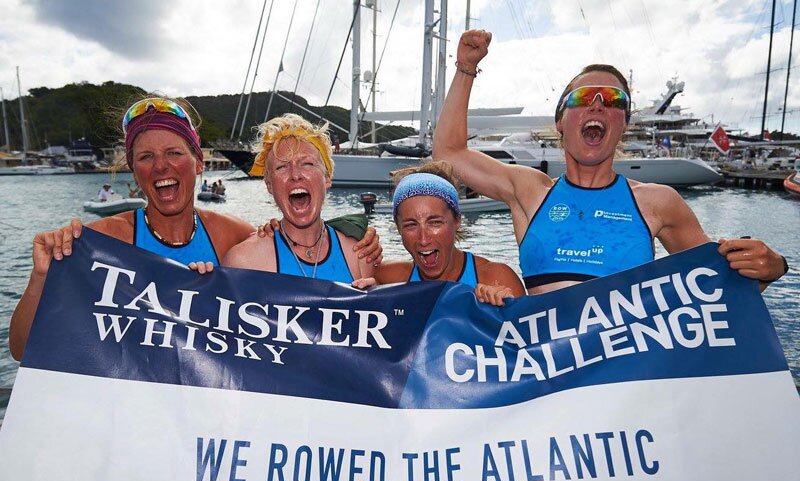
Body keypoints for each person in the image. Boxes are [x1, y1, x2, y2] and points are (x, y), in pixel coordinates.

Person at [9, 99, 381, 360]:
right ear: (133, 170)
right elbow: (24, 350)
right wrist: (42, 276)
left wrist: (350, 232)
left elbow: (293, 246)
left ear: (197, 162)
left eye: (174, 153)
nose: (161, 167)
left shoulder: (231, 236)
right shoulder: (105, 242)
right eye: (145, 157)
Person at [433, 29, 788, 295]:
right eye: (584, 97)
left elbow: (718, 286)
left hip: (620, 382)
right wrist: (466, 68)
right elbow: (448, 153)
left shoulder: (657, 202)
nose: (599, 105)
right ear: (561, 121)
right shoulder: (529, 191)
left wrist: (769, 268)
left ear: (624, 123)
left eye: (614, 99)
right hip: (546, 377)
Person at [218, 114, 373, 282]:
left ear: (327, 178)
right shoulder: (244, 262)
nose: (295, 175)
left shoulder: (359, 254)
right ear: (269, 185)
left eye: (307, 164)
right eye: (282, 167)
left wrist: (372, 295)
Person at [352, 161, 525, 306]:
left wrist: (503, 310)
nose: (423, 239)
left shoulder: (496, 278)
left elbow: (528, 340)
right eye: (411, 225)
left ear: (457, 220)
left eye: (435, 222)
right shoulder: (388, 279)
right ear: (398, 229)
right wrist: (372, 301)